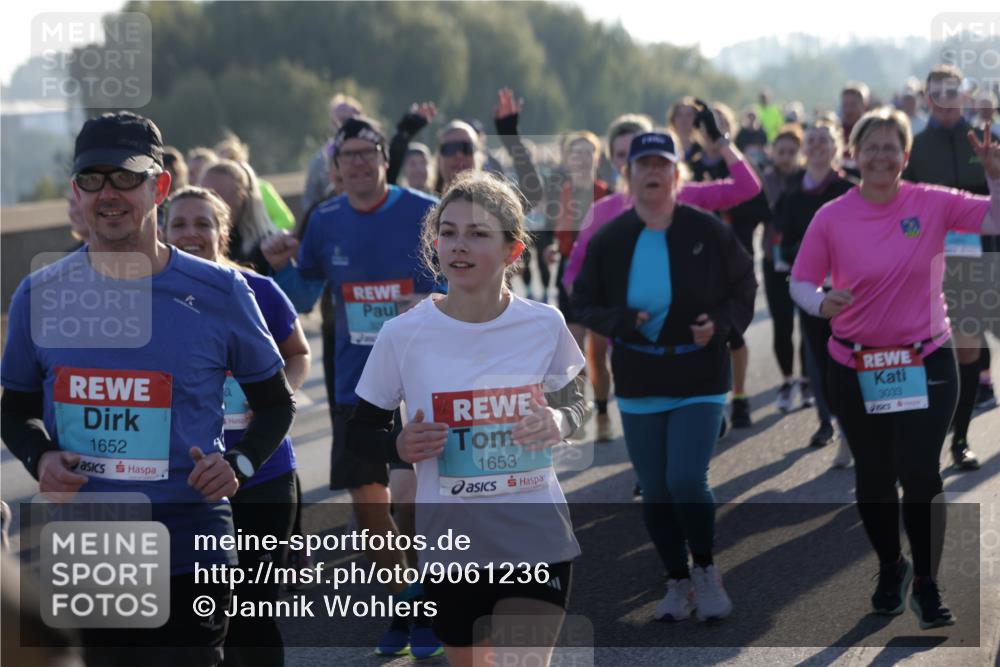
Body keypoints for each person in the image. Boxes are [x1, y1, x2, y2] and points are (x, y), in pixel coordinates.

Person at [0, 111, 295, 666]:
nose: (108, 193)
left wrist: (241, 465)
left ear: (158, 186)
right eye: (93, 178)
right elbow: (12, 413)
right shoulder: (39, 295)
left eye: (126, 177)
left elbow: (277, 403)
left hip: (190, 543)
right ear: (76, 192)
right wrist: (40, 457)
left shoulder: (221, 290)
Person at [348, 170, 590, 667]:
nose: (459, 246)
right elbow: (360, 433)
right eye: (449, 232)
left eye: (478, 234)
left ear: (512, 252)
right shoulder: (402, 334)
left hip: (535, 537)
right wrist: (399, 446)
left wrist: (560, 422)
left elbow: (579, 400)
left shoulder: (544, 324)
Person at [790, 107, 1000, 629]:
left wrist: (995, 174)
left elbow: (995, 219)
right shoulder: (831, 216)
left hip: (925, 358)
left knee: (920, 471)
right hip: (854, 364)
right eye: (871, 147)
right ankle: (892, 566)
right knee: (874, 477)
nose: (881, 156)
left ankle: (927, 584)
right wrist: (821, 304)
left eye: (891, 147)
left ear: (905, 157)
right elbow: (800, 281)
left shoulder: (930, 202)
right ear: (854, 156)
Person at [260, 117, 443, 658]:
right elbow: (301, 293)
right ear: (336, 169)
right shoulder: (325, 218)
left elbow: (462, 277)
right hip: (357, 381)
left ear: (385, 159)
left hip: (424, 377)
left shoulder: (424, 210)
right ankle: (406, 602)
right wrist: (279, 269)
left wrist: (431, 302)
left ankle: (428, 600)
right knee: (368, 509)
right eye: (349, 156)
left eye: (369, 153)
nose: (359, 162)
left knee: (412, 499)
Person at [572, 132, 757, 622]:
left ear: (677, 175)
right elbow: (583, 300)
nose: (652, 173)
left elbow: (744, 282)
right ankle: (677, 581)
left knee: (685, 478)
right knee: (654, 487)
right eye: (642, 165)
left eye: (662, 165)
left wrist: (719, 325)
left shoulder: (707, 230)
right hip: (639, 376)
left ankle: (705, 570)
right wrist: (618, 320)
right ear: (628, 176)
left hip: (699, 373)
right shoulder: (609, 239)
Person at [164, 186, 310, 667]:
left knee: (250, 614)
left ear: (223, 232)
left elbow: (298, 354)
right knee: (198, 616)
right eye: (179, 224)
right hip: (188, 482)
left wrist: (272, 401)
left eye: (202, 223)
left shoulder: (257, 289)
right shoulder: (150, 300)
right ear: (162, 232)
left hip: (261, 472)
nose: (191, 234)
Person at [563, 106, 762, 442]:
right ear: (618, 164)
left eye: (652, 158)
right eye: (626, 156)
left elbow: (747, 188)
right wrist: (610, 316)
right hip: (629, 339)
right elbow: (573, 275)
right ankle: (623, 433)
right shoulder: (601, 214)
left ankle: (705, 417)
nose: (645, 168)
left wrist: (721, 141)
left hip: (690, 340)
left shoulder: (682, 196)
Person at [902, 64, 999, 470]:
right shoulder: (916, 147)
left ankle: (958, 437)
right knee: (946, 352)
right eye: (937, 91)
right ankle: (942, 440)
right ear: (928, 98)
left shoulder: (986, 138)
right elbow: (901, 204)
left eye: (952, 89)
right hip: (937, 265)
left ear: (963, 94)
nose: (945, 97)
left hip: (984, 256)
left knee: (971, 346)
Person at [774, 120, 856, 460]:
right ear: (804, 150)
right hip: (810, 288)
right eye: (813, 141)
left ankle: (854, 428)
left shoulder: (850, 190)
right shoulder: (792, 195)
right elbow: (785, 242)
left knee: (849, 358)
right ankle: (827, 421)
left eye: (825, 140)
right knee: (818, 359)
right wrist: (805, 256)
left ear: (837, 147)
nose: (819, 146)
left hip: (849, 290)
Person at [688, 102, 772, 428]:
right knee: (701, 338)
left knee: (732, 335)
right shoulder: (688, 167)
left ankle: (738, 396)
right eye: (708, 126)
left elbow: (754, 198)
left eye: (720, 125)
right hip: (695, 265)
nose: (711, 132)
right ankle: (710, 405)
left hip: (733, 259)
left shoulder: (738, 162)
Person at [761, 125, 812, 413]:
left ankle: (806, 380)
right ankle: (787, 379)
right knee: (782, 325)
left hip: (803, 260)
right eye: (781, 151)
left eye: (792, 151)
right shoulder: (764, 181)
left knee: (806, 324)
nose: (786, 156)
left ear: (800, 153)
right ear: (773, 152)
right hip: (772, 261)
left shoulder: (806, 180)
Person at [200, 160, 279, 274]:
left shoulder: (267, 248)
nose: (208, 203)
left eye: (216, 196)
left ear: (240, 196)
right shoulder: (196, 242)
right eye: (203, 195)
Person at [303, 93, 363, 210]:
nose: (344, 126)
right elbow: (310, 200)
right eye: (340, 120)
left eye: (350, 120)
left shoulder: (373, 154)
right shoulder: (321, 160)